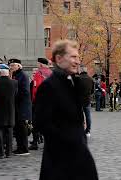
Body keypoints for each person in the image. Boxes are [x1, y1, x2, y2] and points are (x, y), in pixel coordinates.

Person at [35, 40, 98, 180]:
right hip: (61, 159)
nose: (77, 61)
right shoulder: (49, 86)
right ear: (59, 58)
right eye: (73, 57)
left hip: (77, 154)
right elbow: (41, 122)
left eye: (78, 57)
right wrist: (69, 140)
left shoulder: (72, 82)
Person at [9, 58, 32, 155]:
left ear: (19, 66)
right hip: (17, 106)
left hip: (22, 106)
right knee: (18, 128)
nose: (11, 67)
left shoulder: (23, 75)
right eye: (10, 66)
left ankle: (24, 148)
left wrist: (14, 96)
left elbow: (25, 92)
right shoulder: (15, 75)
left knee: (22, 128)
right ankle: (19, 147)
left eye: (13, 65)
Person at [29, 57, 52, 150]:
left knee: (36, 123)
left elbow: (36, 88)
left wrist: (34, 100)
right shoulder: (51, 73)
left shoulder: (39, 73)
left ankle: (35, 143)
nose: (37, 66)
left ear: (41, 64)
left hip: (40, 102)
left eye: (38, 64)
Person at [78, 66, 94, 137]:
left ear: (80, 70)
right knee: (88, 116)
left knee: (80, 116)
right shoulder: (90, 79)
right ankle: (88, 130)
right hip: (87, 100)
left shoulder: (77, 78)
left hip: (78, 100)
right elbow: (92, 91)